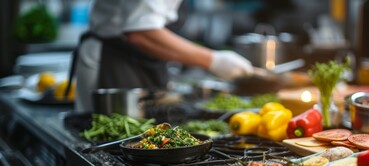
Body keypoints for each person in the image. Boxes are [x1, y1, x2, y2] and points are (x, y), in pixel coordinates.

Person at [74, 0, 254, 112]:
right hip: (113, 63)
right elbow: (141, 33)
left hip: (137, 59)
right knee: (111, 143)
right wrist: (214, 60)